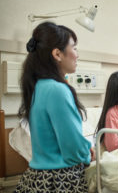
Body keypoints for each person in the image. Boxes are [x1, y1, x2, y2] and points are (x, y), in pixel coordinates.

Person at [15, 22, 94, 192]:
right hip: (59, 180)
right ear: (57, 54)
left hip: (36, 177)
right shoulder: (57, 90)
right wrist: (88, 151)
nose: (77, 55)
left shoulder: (39, 87)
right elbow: (73, 147)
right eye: (74, 48)